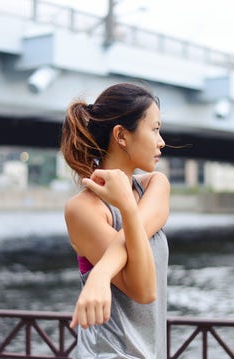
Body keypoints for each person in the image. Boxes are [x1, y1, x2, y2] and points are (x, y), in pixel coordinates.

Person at [60, 82, 170, 358]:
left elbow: (133, 238)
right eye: (154, 129)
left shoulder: (155, 186)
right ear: (121, 136)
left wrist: (102, 272)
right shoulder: (83, 209)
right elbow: (145, 290)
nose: (161, 140)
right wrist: (127, 207)